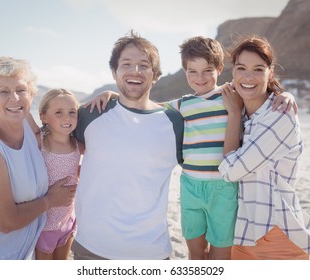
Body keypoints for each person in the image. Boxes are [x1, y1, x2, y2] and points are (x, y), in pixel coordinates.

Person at [86, 36, 297, 260]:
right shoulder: (183, 104)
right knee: (195, 251)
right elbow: (148, 106)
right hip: (190, 187)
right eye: (192, 71)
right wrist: (114, 95)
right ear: (184, 71)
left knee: (220, 252)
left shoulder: (232, 95)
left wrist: (285, 94)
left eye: (207, 70)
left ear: (218, 68)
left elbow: (257, 93)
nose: (200, 78)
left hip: (224, 188)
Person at [71, 30, 184, 260]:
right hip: (92, 249)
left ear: (156, 75)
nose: (135, 71)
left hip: (152, 254)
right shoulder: (90, 114)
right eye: (127, 64)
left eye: (144, 65)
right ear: (114, 72)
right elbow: (45, 139)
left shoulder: (175, 122)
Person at [0, 57, 76, 260]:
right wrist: (50, 201)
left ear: (31, 95)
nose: (15, 98)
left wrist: (110, 96)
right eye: (4, 91)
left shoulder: (28, 128)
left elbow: (67, 123)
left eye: (21, 90)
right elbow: (6, 222)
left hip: (20, 256)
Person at [219, 35, 310, 260]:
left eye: (258, 69)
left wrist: (234, 114)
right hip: (243, 233)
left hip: (276, 234)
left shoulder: (280, 115)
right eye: (241, 68)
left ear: (270, 72)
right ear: (233, 72)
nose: (248, 76)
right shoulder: (242, 111)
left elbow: (230, 171)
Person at [33, 89, 83, 260]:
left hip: (68, 219)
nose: (66, 118)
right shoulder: (38, 140)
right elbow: (11, 125)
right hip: (44, 225)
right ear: (44, 117)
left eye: (72, 112)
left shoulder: (78, 144)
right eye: (58, 113)